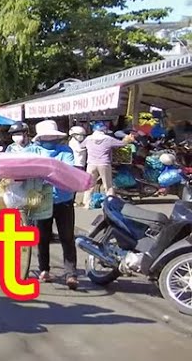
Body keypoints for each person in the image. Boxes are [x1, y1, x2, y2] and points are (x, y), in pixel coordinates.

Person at [22, 121, 80, 288]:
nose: (49, 138)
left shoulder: (65, 151)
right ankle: (44, 270)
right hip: (41, 200)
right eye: (46, 136)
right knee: (43, 237)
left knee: (67, 237)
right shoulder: (32, 150)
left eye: (51, 135)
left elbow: (66, 170)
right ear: (40, 137)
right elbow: (22, 165)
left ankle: (71, 273)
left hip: (64, 199)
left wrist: (43, 172)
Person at [84, 122, 135, 197]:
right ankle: (110, 202)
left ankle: (86, 203)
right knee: (108, 186)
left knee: (90, 185)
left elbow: (81, 146)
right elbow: (121, 144)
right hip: (104, 163)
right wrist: (128, 139)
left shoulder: (88, 138)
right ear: (104, 130)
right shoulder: (108, 139)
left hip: (91, 164)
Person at [68, 125, 89, 206]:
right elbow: (79, 150)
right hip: (75, 164)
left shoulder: (80, 142)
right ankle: (72, 199)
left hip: (80, 164)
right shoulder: (72, 142)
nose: (81, 137)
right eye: (78, 135)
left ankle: (74, 199)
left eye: (82, 135)